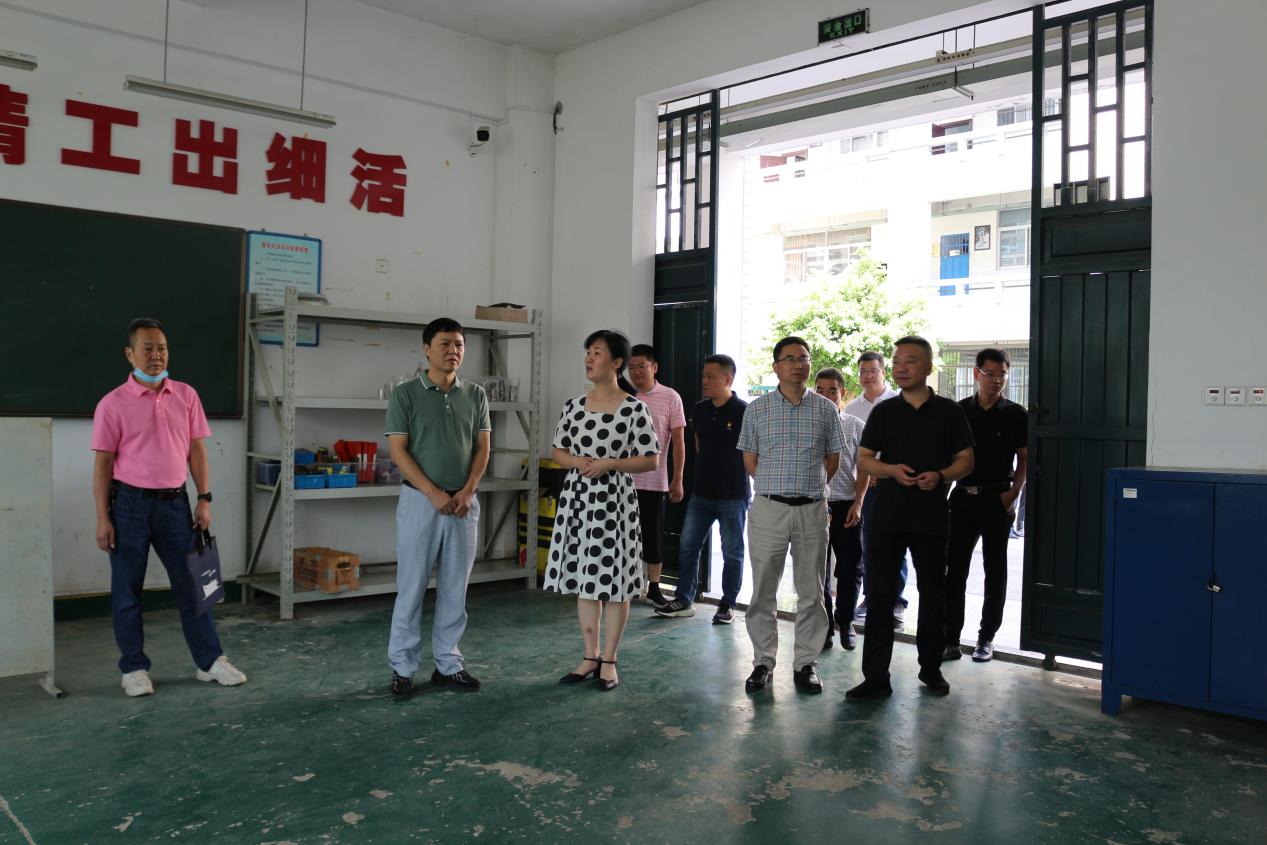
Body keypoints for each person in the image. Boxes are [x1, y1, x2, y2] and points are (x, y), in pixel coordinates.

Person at [92, 318, 247, 697]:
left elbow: (196, 451)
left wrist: (204, 498)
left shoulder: (186, 395)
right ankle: (133, 668)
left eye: (161, 348)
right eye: (147, 348)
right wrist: (102, 518)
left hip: (175, 504)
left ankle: (209, 661)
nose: (156, 355)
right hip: (128, 507)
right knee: (127, 591)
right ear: (130, 354)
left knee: (195, 586)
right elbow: (103, 465)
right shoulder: (113, 403)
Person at [847, 336, 974, 702]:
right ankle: (876, 678)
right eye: (897, 361)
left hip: (930, 515)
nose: (901, 367)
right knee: (880, 597)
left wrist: (942, 475)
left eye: (911, 361)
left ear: (928, 367)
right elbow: (865, 459)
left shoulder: (949, 412)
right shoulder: (884, 411)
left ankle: (931, 668)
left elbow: (967, 460)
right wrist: (890, 470)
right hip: (886, 516)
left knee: (933, 594)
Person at [545, 330, 659, 691]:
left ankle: (609, 659)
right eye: (588, 352)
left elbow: (651, 459)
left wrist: (610, 463)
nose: (589, 359)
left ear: (616, 362)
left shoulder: (634, 408)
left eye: (597, 353)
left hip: (614, 502)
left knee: (616, 582)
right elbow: (558, 450)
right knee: (586, 579)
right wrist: (578, 462)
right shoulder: (573, 406)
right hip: (578, 500)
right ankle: (589, 655)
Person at [385, 317, 491, 698]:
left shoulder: (475, 395)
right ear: (427, 349)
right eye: (445, 344)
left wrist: (468, 491)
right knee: (411, 587)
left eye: (459, 344)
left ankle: (448, 664)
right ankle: (402, 668)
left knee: (454, 589)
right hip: (420, 501)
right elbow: (398, 451)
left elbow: (482, 449)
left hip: (463, 504)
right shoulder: (405, 395)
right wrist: (432, 493)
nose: (453, 351)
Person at [737, 336, 844, 695]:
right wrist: (778, 487)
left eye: (804, 358)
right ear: (776, 367)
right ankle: (762, 662)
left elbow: (833, 460)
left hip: (812, 509)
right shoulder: (757, 409)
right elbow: (750, 460)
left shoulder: (826, 409)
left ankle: (806, 663)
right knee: (763, 589)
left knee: (812, 591)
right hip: (769, 508)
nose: (798, 364)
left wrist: (807, 488)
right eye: (790, 359)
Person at [943, 348, 1027, 664]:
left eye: (1002, 374)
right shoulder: (959, 411)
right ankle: (951, 638)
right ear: (976, 373)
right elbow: (949, 458)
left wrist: (1013, 495)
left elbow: (1024, 459)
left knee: (995, 572)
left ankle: (986, 638)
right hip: (963, 498)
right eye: (990, 374)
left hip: (997, 499)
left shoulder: (1016, 414)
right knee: (954, 571)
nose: (996, 380)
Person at [654, 354, 749, 624]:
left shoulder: (744, 411)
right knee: (688, 546)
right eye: (703, 375)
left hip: (733, 495)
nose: (704, 381)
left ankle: (727, 604)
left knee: (732, 552)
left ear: (728, 379)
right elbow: (697, 445)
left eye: (710, 376)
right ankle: (684, 599)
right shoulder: (700, 409)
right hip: (701, 494)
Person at [844, 350, 909, 632]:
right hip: (865, 488)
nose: (868, 375)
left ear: (884, 372)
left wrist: (883, 470)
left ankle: (897, 601)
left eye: (873, 370)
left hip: (894, 485)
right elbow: (851, 452)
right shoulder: (852, 408)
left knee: (897, 544)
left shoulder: (899, 402)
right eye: (863, 371)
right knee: (869, 546)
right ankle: (871, 599)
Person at [627, 344, 686, 609]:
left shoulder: (671, 397)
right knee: (624, 535)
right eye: (631, 367)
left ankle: (653, 587)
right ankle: (625, 584)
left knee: (653, 536)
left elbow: (679, 443)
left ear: (654, 367)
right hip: (623, 480)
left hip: (655, 481)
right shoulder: (625, 397)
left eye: (642, 366)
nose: (636, 372)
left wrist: (677, 479)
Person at [813, 367, 868, 651]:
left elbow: (865, 468)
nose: (825, 396)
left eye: (832, 390)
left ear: (842, 393)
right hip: (815, 507)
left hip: (847, 506)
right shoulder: (809, 424)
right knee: (817, 571)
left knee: (850, 569)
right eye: (819, 390)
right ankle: (824, 627)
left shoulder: (855, 426)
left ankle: (845, 622)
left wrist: (858, 503)